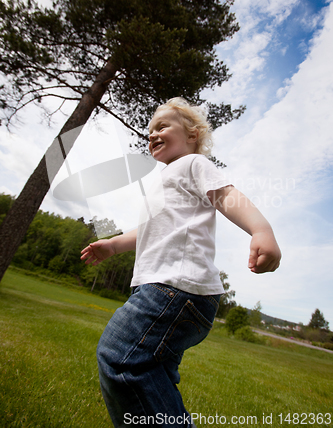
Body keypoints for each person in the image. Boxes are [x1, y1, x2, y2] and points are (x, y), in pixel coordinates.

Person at [81, 97, 281, 428]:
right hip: (167, 292)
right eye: (149, 132)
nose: (152, 135)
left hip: (175, 289)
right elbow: (148, 230)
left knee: (120, 356)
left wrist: (260, 229)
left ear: (192, 135)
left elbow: (225, 194)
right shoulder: (164, 181)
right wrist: (114, 245)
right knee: (151, 369)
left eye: (162, 127)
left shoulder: (193, 164)